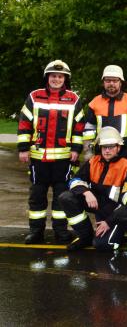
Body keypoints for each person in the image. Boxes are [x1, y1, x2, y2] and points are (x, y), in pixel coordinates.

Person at [17, 60, 86, 244]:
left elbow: (79, 128)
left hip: (64, 159)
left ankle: (61, 232)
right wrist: (23, 149)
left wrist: (76, 150)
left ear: (66, 79)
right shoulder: (34, 97)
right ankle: (36, 232)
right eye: (53, 76)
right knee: (37, 198)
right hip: (38, 158)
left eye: (60, 76)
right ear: (47, 77)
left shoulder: (73, 99)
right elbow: (24, 123)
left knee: (60, 200)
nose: (56, 79)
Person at [59, 127, 127, 251]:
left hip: (115, 213)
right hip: (97, 205)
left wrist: (109, 221)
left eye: (111, 147)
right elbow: (75, 180)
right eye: (104, 147)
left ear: (118, 147)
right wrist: (86, 192)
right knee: (66, 197)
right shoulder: (93, 161)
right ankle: (85, 236)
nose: (107, 151)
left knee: (102, 245)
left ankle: (117, 230)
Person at [83, 65, 127, 161]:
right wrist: (88, 151)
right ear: (103, 82)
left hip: (125, 153)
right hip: (102, 152)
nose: (111, 83)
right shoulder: (94, 103)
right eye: (108, 81)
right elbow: (89, 130)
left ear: (120, 82)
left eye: (115, 81)